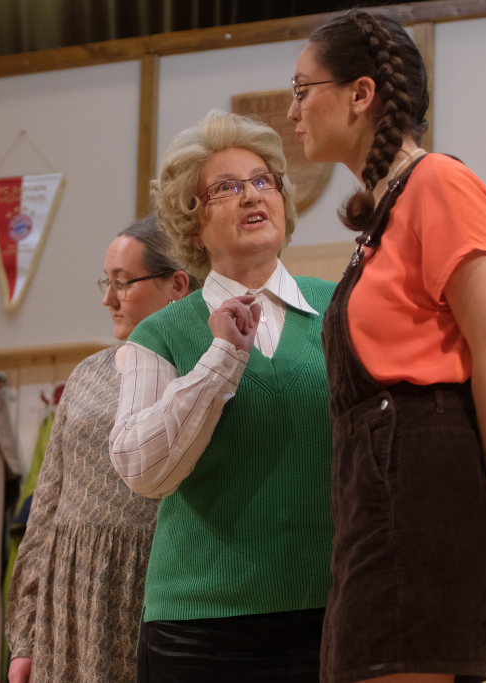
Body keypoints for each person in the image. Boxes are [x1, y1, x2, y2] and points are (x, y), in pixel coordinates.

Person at [287, 11, 486, 683]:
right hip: (378, 497)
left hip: (416, 495)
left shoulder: (439, 182)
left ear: (361, 93)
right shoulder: (382, 214)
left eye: (302, 90)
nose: (293, 111)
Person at [109, 110, 336, 682]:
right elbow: (142, 470)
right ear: (192, 223)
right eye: (227, 188)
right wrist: (221, 360)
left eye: (263, 181)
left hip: (331, 609)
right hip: (200, 627)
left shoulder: (342, 308)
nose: (252, 196)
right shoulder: (160, 333)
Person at [5, 217, 196, 683]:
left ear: (177, 285)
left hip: (157, 592)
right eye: (105, 282)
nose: (108, 299)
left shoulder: (202, 373)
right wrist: (25, 637)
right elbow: (46, 507)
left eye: (123, 283)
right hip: (71, 598)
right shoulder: (88, 374)